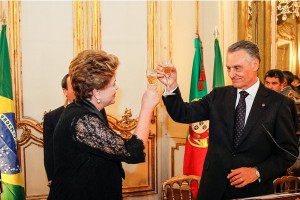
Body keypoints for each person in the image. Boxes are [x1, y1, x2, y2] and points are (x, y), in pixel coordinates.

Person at [156, 40, 298, 199]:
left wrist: (258, 172)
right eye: (228, 68)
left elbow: (288, 152)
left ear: (255, 64)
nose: (231, 74)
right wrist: (171, 86)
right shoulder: (218, 96)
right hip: (212, 190)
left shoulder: (279, 103)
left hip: (252, 191)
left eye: (237, 68)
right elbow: (183, 113)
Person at [47, 50, 159, 200]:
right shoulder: (83, 120)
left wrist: (141, 121)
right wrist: (147, 109)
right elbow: (133, 152)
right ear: (97, 92)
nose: (116, 88)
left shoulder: (87, 110)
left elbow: (110, 146)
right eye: (113, 84)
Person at [43, 74, 76, 185]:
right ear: (65, 91)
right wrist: (53, 179)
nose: (78, 89)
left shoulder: (98, 112)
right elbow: (49, 152)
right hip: (65, 179)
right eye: (74, 87)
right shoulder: (52, 117)